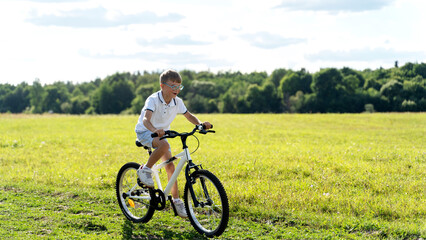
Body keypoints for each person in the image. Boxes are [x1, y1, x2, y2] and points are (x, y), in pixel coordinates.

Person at [135, 69, 212, 218]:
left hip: (161, 134)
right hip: (146, 131)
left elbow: (189, 116)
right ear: (162, 86)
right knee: (164, 146)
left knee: (171, 166)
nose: (176, 90)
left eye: (179, 86)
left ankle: (176, 201)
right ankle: (144, 170)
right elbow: (146, 119)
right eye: (173, 86)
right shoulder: (153, 99)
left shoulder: (178, 102)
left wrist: (200, 124)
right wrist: (155, 129)